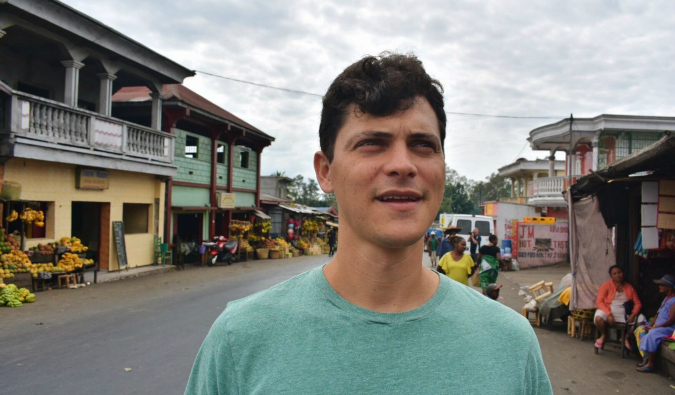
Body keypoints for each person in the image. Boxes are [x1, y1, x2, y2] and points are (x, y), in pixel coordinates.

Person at [185, 52, 552, 394]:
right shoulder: (242, 339)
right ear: (325, 172)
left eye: (423, 145)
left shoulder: (510, 344)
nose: (403, 164)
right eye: (373, 143)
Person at [593, 265, 643, 349]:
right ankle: (603, 335)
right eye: (614, 274)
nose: (618, 275)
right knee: (599, 318)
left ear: (623, 273)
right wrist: (608, 314)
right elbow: (599, 302)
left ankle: (625, 338)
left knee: (641, 320)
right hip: (607, 309)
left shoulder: (629, 287)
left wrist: (634, 314)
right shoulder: (606, 285)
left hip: (623, 313)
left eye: (619, 272)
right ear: (611, 276)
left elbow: (638, 303)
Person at [635, 274, 675, 373]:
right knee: (640, 329)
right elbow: (658, 313)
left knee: (652, 335)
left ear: (669, 287)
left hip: (668, 328)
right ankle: (646, 358)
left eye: (662, 285)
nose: (659, 287)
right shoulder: (666, 299)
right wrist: (651, 325)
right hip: (659, 326)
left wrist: (655, 328)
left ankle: (651, 364)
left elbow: (670, 320)